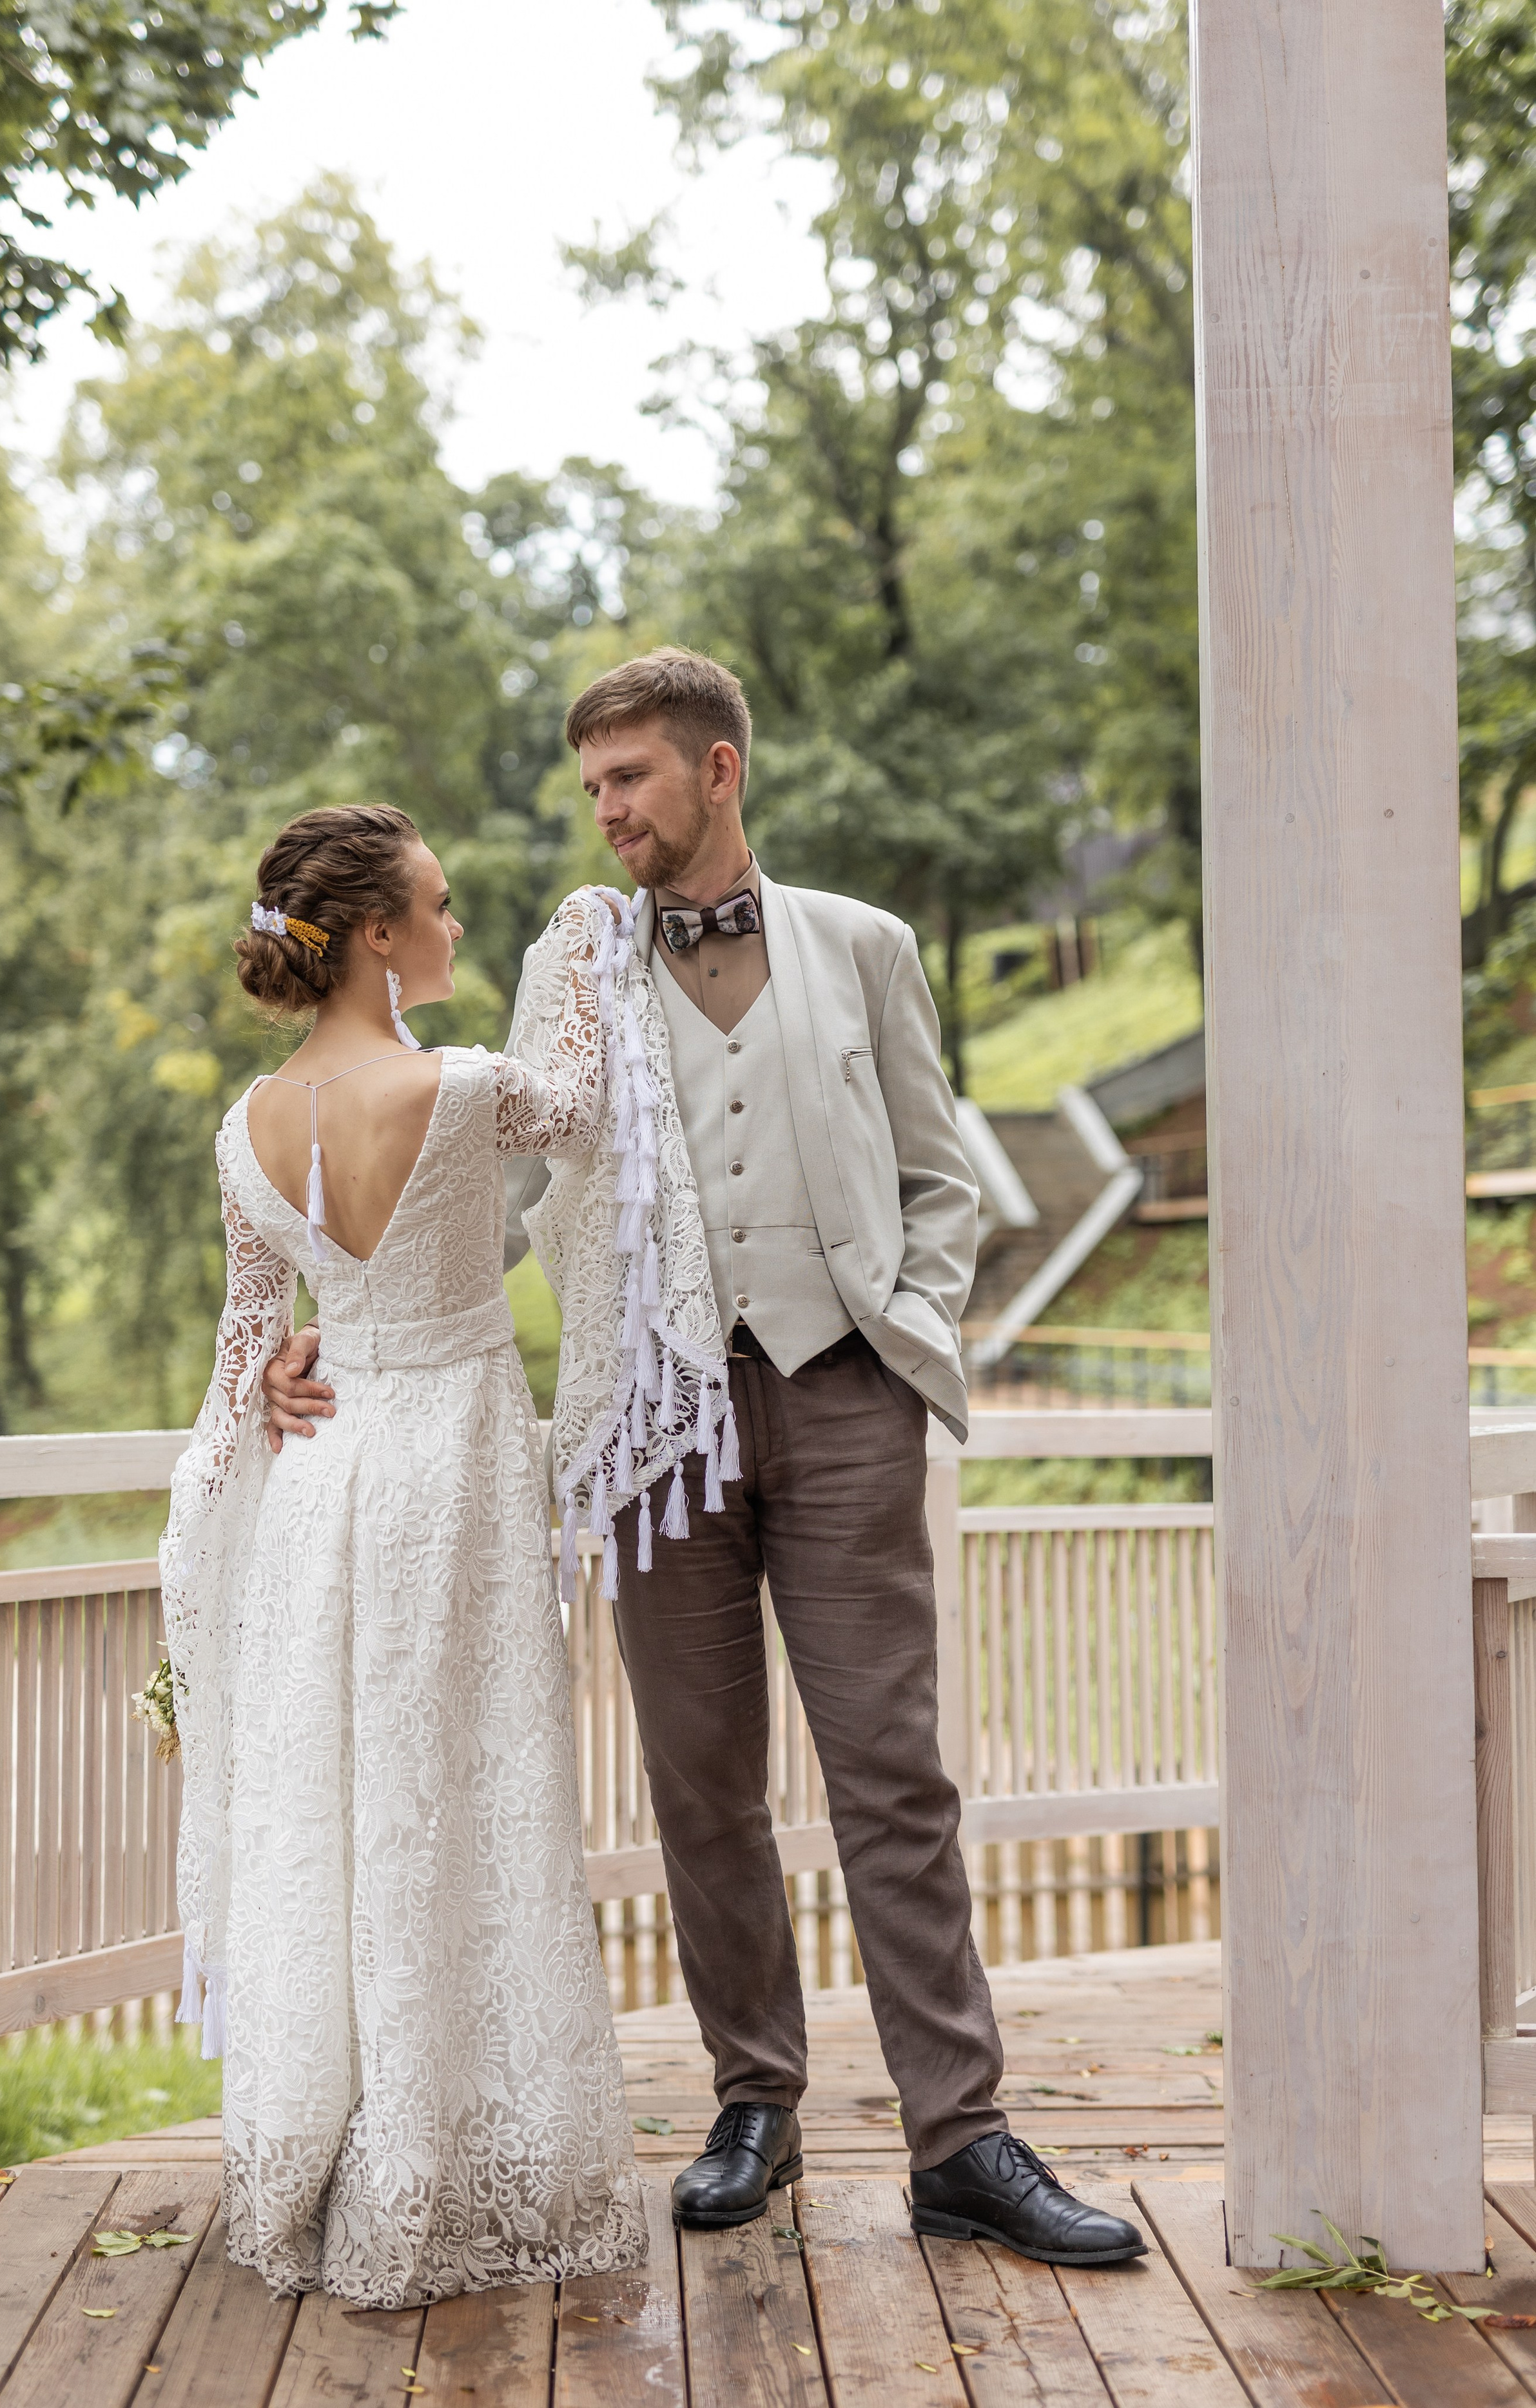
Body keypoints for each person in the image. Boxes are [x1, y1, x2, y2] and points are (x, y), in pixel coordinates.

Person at [266, 657, 1145, 2269]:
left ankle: (960, 2137)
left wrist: (901, 1331)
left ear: (716, 772)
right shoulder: (568, 973)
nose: (605, 811)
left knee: (893, 1779)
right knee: (700, 1792)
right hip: (644, 1429)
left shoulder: (865, 948)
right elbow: (496, 1192)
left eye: (630, 781)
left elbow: (941, 1178)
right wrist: (334, 1308)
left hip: (840, 1402)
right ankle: (758, 2100)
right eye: (591, 784)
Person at [160, 803, 648, 2306]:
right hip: (453, 1470)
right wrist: (580, 931)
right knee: (467, 1790)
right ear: (375, 935)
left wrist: (287, 1370)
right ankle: (439, 2155)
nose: (453, 927)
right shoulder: (460, 1085)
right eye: (436, 906)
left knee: (340, 1796)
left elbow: (248, 1347)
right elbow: (587, 1105)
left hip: (323, 1480)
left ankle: (333, 2139)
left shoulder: (244, 1124)